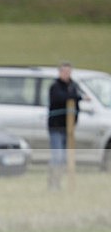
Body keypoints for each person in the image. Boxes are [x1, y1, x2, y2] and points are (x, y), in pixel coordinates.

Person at [47, 61, 82, 191]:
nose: (66, 74)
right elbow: (60, 98)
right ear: (60, 72)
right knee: (58, 157)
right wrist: (75, 97)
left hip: (69, 128)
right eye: (64, 71)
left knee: (66, 157)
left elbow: (77, 100)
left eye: (68, 71)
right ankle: (53, 183)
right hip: (56, 127)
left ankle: (60, 182)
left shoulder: (73, 85)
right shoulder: (55, 86)